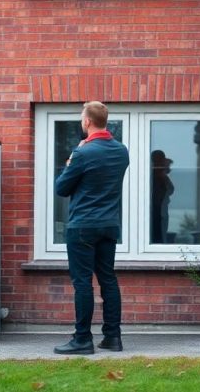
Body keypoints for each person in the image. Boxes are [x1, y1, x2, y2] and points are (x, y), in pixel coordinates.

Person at [53, 101, 130, 355]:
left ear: (87, 121)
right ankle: (113, 338)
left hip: (83, 226)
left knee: (83, 283)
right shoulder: (121, 151)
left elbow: (62, 188)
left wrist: (69, 162)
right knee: (108, 279)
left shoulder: (82, 153)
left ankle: (82, 340)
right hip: (109, 225)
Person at [150, 150, 174, 244]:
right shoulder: (154, 177)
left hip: (161, 211)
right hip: (156, 212)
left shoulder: (162, 177)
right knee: (157, 235)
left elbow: (171, 189)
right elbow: (169, 190)